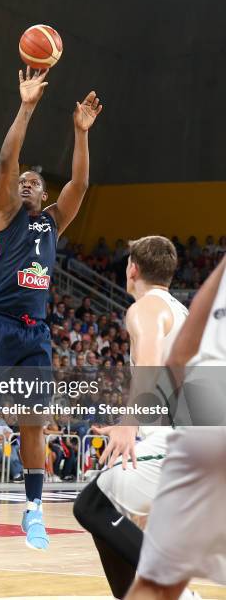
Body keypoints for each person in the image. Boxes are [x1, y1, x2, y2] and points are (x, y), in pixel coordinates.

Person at [0, 66, 102, 552]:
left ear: (44, 194)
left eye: (34, 182)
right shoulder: (4, 214)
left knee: (34, 422)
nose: (26, 183)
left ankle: (33, 509)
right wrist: (28, 106)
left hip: (34, 332)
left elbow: (79, 183)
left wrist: (80, 134)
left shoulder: (53, 224)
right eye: (23, 180)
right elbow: (5, 160)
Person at [74, 236, 191, 600]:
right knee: (110, 519)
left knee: (92, 505)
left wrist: (129, 423)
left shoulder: (146, 308)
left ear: (132, 269)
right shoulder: (178, 310)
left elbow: (152, 363)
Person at [126, 256, 226, 600]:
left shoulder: (147, 308)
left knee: (100, 504)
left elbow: (170, 360)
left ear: (133, 269)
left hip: (193, 426)